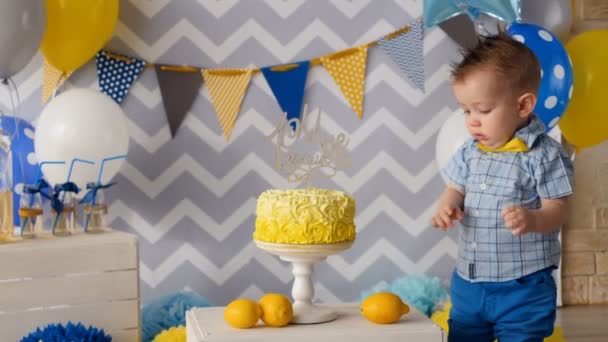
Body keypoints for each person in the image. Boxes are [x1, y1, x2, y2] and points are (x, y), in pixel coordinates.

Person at [431, 32, 573, 342]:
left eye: (483, 110)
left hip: (523, 287)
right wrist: (447, 204)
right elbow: (456, 187)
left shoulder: (544, 154)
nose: (472, 122)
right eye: (466, 111)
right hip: (470, 282)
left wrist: (533, 219)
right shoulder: (470, 150)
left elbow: (559, 208)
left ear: (523, 106)